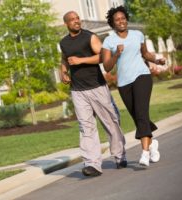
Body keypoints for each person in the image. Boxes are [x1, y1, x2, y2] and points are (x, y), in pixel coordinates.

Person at [59, 11, 127, 176]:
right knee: (85, 126)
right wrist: (63, 71)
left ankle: (119, 155)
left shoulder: (90, 37)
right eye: (73, 20)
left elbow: (103, 57)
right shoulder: (64, 42)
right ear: (66, 24)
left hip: (96, 86)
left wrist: (81, 60)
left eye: (77, 18)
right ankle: (92, 164)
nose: (77, 21)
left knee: (110, 121)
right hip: (78, 90)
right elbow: (64, 59)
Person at [102, 6, 165, 167]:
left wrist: (157, 60)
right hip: (124, 83)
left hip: (142, 76)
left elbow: (145, 54)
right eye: (117, 19)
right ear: (112, 23)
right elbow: (107, 66)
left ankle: (144, 152)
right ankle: (152, 143)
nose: (121, 21)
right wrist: (116, 54)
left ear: (126, 19)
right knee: (137, 116)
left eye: (123, 18)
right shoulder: (109, 41)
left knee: (142, 112)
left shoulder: (138, 35)